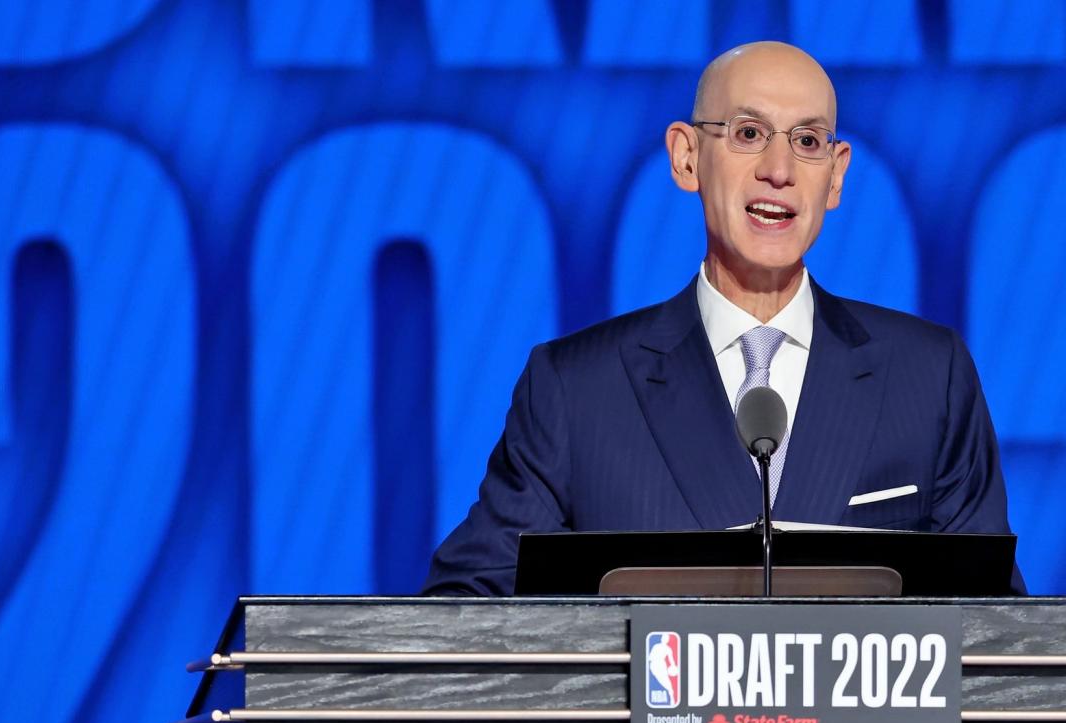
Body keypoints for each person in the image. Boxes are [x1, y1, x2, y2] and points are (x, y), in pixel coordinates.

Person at [424, 41, 1017, 596]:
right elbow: (468, 607)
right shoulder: (576, 389)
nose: (779, 169)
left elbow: (999, 630)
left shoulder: (928, 375)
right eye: (750, 133)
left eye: (808, 142)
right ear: (687, 157)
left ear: (835, 177)